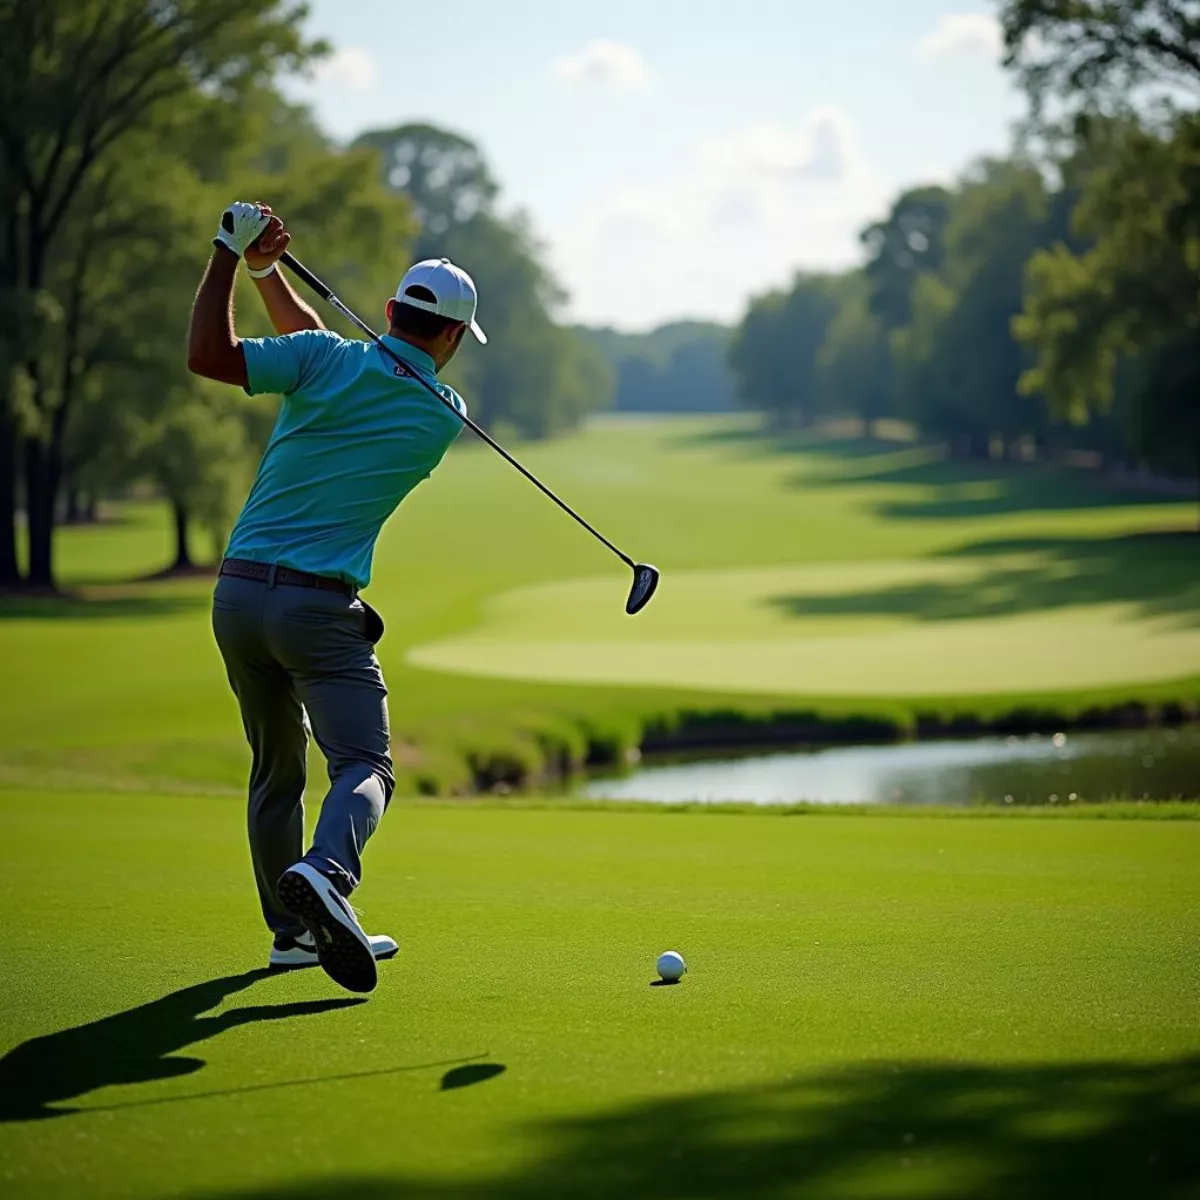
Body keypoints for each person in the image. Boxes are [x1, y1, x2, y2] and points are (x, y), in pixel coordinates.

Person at [187, 201, 485, 993]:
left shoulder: (322, 360)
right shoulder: (442, 415)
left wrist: (234, 256)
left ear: (390, 311)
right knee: (363, 762)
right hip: (317, 611)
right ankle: (326, 873)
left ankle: (291, 935)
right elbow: (332, 349)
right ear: (453, 338)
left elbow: (214, 356)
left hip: (238, 595)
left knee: (275, 771)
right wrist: (265, 273)